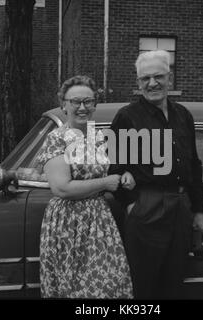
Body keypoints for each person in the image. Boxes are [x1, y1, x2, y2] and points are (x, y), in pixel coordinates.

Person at [109, 50, 203, 299]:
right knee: (143, 283)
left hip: (181, 206)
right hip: (147, 206)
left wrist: (198, 210)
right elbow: (114, 168)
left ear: (170, 78)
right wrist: (132, 205)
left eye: (158, 76)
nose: (152, 83)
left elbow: (194, 164)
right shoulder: (127, 117)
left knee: (174, 282)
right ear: (138, 82)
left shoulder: (183, 115)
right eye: (145, 78)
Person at [37, 75, 134, 299]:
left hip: (99, 221)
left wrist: (125, 174)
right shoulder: (56, 139)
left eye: (88, 102)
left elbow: (113, 169)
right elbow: (62, 188)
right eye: (75, 102)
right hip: (68, 223)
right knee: (74, 289)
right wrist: (106, 183)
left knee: (110, 285)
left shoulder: (98, 136)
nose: (82, 107)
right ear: (64, 105)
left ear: (94, 105)